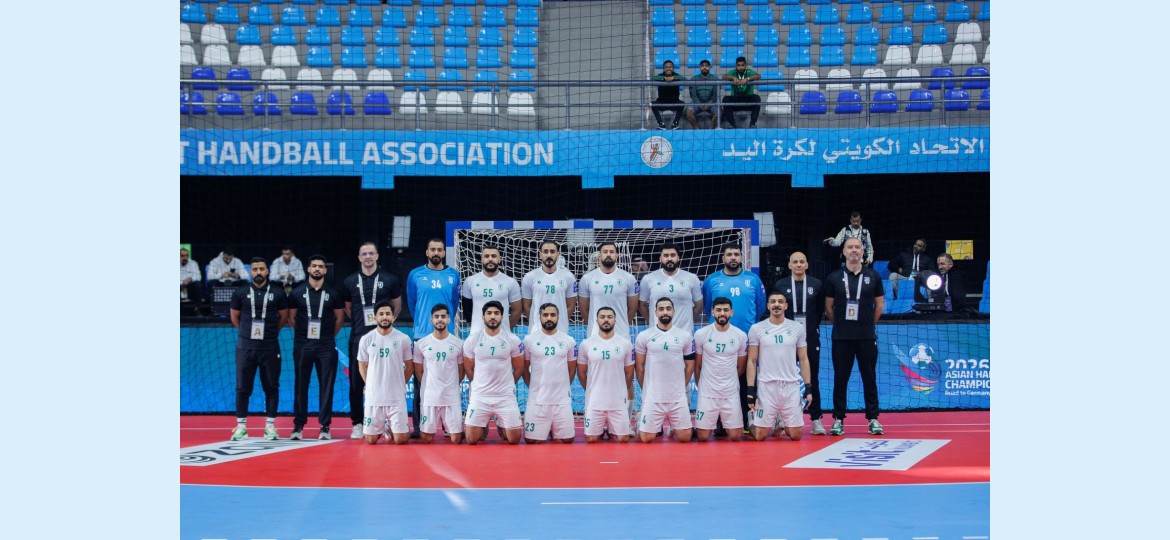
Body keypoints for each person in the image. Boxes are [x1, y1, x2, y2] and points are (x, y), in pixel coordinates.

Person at [342, 242, 404, 439]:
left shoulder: (389, 279)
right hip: (358, 337)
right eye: (364, 254)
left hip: (384, 337)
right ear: (359, 257)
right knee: (356, 384)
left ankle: (386, 422)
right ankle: (357, 423)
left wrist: (385, 323)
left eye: (371, 253)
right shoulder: (350, 281)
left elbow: (397, 306)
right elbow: (348, 309)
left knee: (386, 381)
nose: (367, 257)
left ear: (377, 256)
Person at [824, 238, 885, 436]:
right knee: (840, 378)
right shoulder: (834, 277)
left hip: (866, 336)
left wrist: (868, 326)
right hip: (841, 337)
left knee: (869, 377)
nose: (854, 250)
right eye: (850, 247)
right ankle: (838, 419)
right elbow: (828, 307)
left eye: (857, 247)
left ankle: (873, 418)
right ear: (843, 251)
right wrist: (841, 325)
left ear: (862, 251)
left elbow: (879, 306)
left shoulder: (873, 276)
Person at [228, 258, 289, 441]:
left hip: (269, 346)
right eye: (255, 269)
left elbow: (283, 317)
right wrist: (246, 334)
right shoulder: (240, 292)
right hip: (245, 347)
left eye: (262, 269)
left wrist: (270, 333)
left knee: (271, 386)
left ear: (267, 271)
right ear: (250, 272)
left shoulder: (278, 293)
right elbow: (235, 318)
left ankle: (270, 427)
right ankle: (241, 427)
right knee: (242, 387)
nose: (258, 272)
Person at [405, 238, 461, 438]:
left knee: (448, 380)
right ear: (427, 252)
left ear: (444, 253)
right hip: (422, 335)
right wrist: (423, 323)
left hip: (447, 336)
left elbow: (453, 304)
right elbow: (412, 302)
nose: (436, 252)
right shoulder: (415, 274)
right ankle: (419, 426)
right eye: (433, 249)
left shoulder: (453, 275)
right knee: (421, 383)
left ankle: (448, 426)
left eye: (440, 249)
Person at [288, 254, 344, 441]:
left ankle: (325, 426)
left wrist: (326, 336)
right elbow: (292, 318)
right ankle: (298, 426)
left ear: (325, 270)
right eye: (314, 266)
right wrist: (304, 336)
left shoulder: (333, 293)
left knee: (326, 386)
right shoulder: (296, 293)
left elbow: (339, 319)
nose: (317, 269)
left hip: (326, 345)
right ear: (308, 269)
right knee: (300, 385)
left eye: (321, 266)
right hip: (303, 344)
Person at [745, 292, 814, 442]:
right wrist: (750, 389)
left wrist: (808, 387)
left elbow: (803, 359)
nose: (776, 304)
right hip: (767, 385)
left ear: (786, 306)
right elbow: (752, 360)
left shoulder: (797, 328)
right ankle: (751, 419)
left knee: (796, 435)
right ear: (768, 306)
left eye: (780, 302)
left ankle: (780, 421)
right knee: (760, 436)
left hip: (790, 385)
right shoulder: (757, 328)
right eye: (773, 301)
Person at [773, 251, 827, 435]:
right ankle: (781, 418)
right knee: (783, 378)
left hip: (809, 337)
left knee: (812, 378)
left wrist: (811, 328)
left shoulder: (816, 284)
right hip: (787, 339)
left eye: (801, 262)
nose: (798, 265)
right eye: (795, 262)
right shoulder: (780, 285)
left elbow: (820, 309)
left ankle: (816, 419)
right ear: (789, 265)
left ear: (807, 265)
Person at [634, 298, 696, 443]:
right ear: (655, 312)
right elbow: (639, 366)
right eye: (661, 309)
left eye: (668, 308)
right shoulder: (644, 336)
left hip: (677, 395)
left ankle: (674, 428)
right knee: (646, 438)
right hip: (653, 395)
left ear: (674, 311)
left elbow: (690, 366)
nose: (665, 312)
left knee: (685, 437)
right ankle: (640, 420)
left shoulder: (685, 336)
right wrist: (646, 388)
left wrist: (681, 385)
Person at [463, 301, 525, 445]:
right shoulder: (472, 340)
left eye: (496, 313)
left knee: (513, 440)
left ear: (502, 317)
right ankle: (483, 422)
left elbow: (519, 368)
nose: (493, 316)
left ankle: (500, 421)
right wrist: (478, 385)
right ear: (483, 317)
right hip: (481, 396)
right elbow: (469, 369)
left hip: (505, 396)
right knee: (471, 439)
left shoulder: (513, 339)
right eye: (489, 313)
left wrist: (507, 385)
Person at [357, 300, 414, 445]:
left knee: (401, 440)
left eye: (388, 314)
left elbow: (409, 365)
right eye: (381, 314)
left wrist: (401, 383)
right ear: (375, 317)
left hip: (396, 397)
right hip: (374, 397)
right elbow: (362, 365)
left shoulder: (403, 339)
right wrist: (369, 384)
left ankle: (392, 427)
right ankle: (384, 427)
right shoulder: (366, 339)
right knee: (371, 440)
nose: (384, 317)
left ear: (393, 317)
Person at [521, 304, 578, 444]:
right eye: (545, 315)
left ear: (558, 317)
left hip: (561, 400)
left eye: (552, 315)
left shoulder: (568, 341)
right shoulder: (529, 340)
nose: (549, 318)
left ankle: (553, 428)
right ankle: (547, 427)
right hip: (537, 399)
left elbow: (572, 369)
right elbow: (524, 369)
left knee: (567, 440)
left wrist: (563, 387)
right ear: (539, 317)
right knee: (531, 440)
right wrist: (534, 387)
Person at [693, 297, 748, 442]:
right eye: (718, 310)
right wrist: (702, 386)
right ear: (712, 312)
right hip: (708, 391)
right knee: (702, 437)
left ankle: (722, 421)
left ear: (731, 312)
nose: (722, 313)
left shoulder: (740, 335)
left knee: (736, 436)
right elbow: (697, 365)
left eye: (725, 310)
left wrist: (729, 381)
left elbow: (740, 366)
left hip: (730, 391)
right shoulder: (701, 334)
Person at [578, 307, 636, 443]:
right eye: (602, 317)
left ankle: (612, 430)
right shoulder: (586, 344)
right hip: (595, 401)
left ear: (615, 320)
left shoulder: (625, 344)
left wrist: (621, 390)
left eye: (609, 317)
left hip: (617, 401)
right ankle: (604, 430)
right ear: (597, 320)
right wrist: (591, 389)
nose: (606, 320)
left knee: (623, 439)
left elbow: (629, 373)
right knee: (591, 439)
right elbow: (581, 373)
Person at [412, 303, 465, 444]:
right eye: (436, 317)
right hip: (430, 397)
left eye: (443, 316)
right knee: (426, 438)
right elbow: (418, 371)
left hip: (451, 397)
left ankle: (456, 428)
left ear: (449, 319)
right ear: (431, 320)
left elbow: (461, 370)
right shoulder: (421, 344)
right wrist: (429, 386)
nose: (440, 319)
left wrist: (452, 385)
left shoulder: (458, 343)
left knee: (456, 439)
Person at [639, 242, 703, 335]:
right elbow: (641, 306)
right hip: (657, 335)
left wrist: (689, 322)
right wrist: (653, 322)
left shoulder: (691, 278)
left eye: (673, 255)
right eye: (666, 255)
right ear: (660, 258)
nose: (669, 258)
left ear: (678, 258)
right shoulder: (648, 279)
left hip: (684, 334)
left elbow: (699, 305)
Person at [578, 242, 638, 339]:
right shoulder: (587, 278)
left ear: (617, 255)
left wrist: (623, 324)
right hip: (595, 334)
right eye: (605, 252)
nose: (608, 254)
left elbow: (633, 308)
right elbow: (584, 310)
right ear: (600, 255)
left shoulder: (628, 278)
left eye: (612, 252)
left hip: (621, 334)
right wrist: (593, 325)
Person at [461, 245, 522, 334]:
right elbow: (467, 310)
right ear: (481, 259)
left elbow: (517, 310)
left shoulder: (510, 282)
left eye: (493, 256)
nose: (490, 259)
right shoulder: (470, 281)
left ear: (499, 259)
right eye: (486, 256)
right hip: (477, 336)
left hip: (502, 336)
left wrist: (506, 329)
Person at [521, 240, 578, 334]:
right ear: (540, 255)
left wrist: (561, 321)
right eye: (545, 252)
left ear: (558, 254)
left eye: (552, 251)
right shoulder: (529, 277)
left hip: (560, 330)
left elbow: (571, 305)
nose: (549, 255)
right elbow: (526, 306)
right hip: (536, 331)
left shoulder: (568, 276)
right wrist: (536, 321)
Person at [720, 56, 761, 128]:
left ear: (745, 65)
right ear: (736, 66)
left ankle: (752, 124)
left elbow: (758, 76)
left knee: (756, 98)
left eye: (742, 65)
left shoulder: (749, 72)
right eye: (738, 65)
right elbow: (724, 76)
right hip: (736, 99)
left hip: (747, 99)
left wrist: (748, 79)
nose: (741, 67)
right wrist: (733, 78)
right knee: (726, 99)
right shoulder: (733, 72)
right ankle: (732, 124)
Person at [650, 59, 685, 130]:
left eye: (670, 67)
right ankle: (661, 124)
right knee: (653, 104)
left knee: (681, 104)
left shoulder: (676, 76)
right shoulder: (660, 76)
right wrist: (664, 78)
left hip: (674, 102)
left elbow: (685, 79)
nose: (668, 68)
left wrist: (674, 77)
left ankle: (675, 124)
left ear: (673, 68)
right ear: (663, 69)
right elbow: (652, 78)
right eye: (666, 67)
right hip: (662, 102)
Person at [686, 59, 719, 129]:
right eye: (702, 66)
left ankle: (711, 130)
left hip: (711, 102)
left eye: (706, 66)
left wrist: (709, 104)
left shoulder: (715, 78)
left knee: (718, 113)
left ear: (709, 67)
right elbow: (693, 95)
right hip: (697, 102)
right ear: (700, 67)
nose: (704, 68)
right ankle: (696, 130)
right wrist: (699, 104)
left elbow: (715, 95)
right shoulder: (694, 79)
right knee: (689, 112)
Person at [180, 247, 204, 314]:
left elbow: (199, 276)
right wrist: (182, 283)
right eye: (182, 256)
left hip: (190, 288)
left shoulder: (193, 263)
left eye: (187, 255)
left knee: (198, 284)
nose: (185, 258)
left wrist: (190, 279)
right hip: (180, 287)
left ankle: (197, 309)